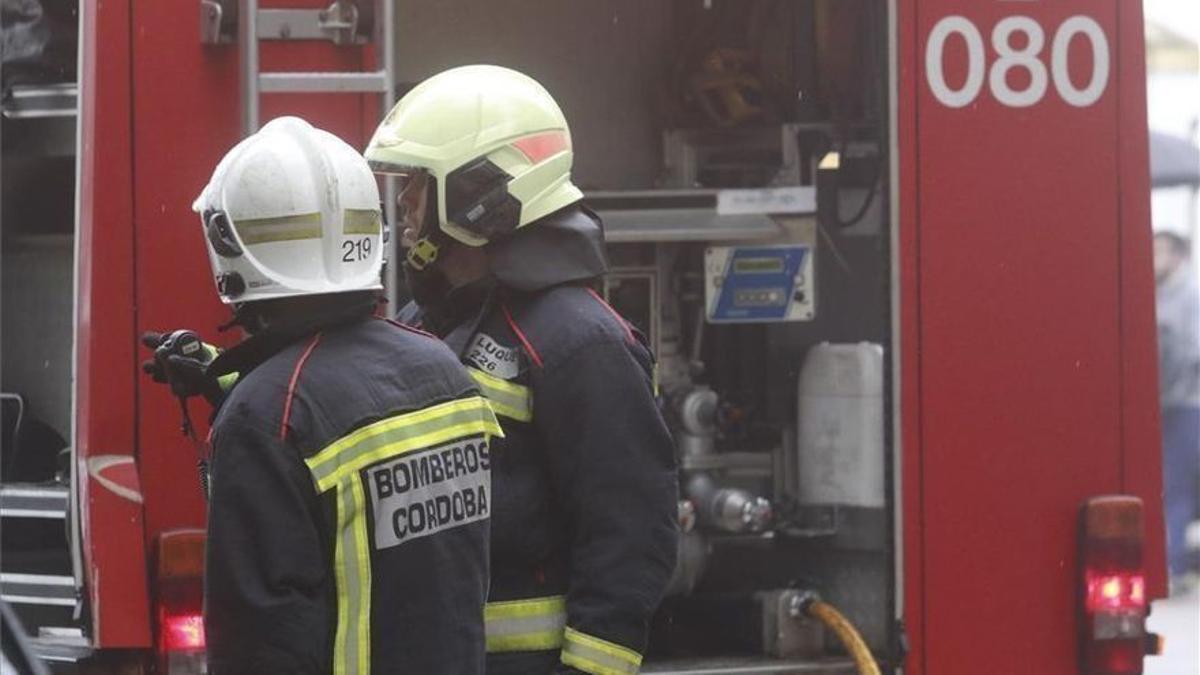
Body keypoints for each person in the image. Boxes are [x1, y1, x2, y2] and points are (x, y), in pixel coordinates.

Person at [145, 117, 499, 673]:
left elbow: (260, 641)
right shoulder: (443, 371)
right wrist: (230, 381)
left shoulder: (267, 417)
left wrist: (247, 398)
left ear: (230, 245)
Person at [364, 65, 679, 675]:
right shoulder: (430, 318)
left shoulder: (582, 343)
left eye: (419, 185)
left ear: (478, 193)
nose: (402, 205)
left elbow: (631, 536)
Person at [1153, 230, 1200, 591]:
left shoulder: (1189, 297)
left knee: (1177, 485)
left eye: (1161, 251)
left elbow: (1192, 354)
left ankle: (1175, 564)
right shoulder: (1159, 295)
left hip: (1184, 404)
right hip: (1166, 404)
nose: (1155, 258)